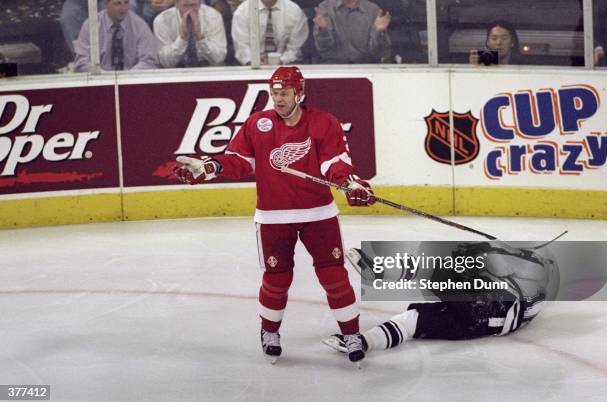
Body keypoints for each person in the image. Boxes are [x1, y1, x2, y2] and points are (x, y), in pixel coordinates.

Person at [173, 66, 375, 365]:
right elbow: (238, 160)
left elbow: (334, 162)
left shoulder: (323, 123)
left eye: (284, 93)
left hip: (318, 214)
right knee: (277, 279)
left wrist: (349, 184)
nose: (278, 99)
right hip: (273, 217)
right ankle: (269, 331)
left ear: (299, 93)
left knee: (334, 275)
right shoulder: (258, 124)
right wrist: (211, 167)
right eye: (274, 93)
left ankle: (352, 334)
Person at [324, 241, 557, 354]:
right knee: (413, 321)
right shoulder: (535, 293)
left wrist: (478, 248)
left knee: (436, 269)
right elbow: (496, 267)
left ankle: (378, 272)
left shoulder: (534, 268)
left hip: (483, 307)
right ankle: (364, 342)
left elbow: (494, 261)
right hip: (479, 326)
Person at [73, 0, 159, 72]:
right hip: (99, 81)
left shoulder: (140, 26)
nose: (123, 8)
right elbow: (82, 61)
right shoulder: (90, 25)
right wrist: (103, 76)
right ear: (106, 4)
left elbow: (149, 61)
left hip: (131, 82)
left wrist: (128, 77)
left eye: (126, 3)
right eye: (117, 4)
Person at [231, 0, 309, 65]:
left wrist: (280, 61)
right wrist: (254, 62)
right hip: (251, 68)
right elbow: (241, 47)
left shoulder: (294, 11)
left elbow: (296, 49)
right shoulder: (242, 11)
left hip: (285, 67)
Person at [312, 0, 391, 64]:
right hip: (334, 67)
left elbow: (379, 52)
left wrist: (379, 32)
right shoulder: (325, 7)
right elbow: (323, 49)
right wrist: (323, 30)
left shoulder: (373, 10)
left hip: (365, 67)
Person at [154, 0, 227, 67]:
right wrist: (182, 39)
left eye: (193, 5)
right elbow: (166, 63)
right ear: (176, 4)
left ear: (199, 4)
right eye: (185, 6)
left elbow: (219, 58)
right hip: (176, 70)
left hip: (209, 67)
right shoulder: (162, 21)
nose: (190, 10)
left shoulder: (214, 17)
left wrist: (200, 38)